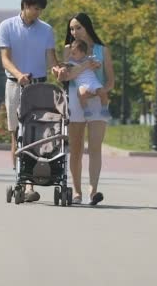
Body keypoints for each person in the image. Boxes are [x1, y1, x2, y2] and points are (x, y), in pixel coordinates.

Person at [0, 0, 64, 202]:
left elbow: (51, 59)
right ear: (25, 5)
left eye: (41, 10)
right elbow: (5, 59)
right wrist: (19, 75)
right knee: (16, 132)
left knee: (37, 132)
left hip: (39, 87)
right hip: (15, 85)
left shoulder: (46, 30)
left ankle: (31, 181)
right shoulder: (6, 26)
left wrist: (57, 70)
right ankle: (24, 182)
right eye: (35, 9)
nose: (38, 13)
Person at [61, 13, 115, 205]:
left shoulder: (102, 50)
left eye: (78, 28)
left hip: (98, 101)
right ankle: (76, 192)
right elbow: (65, 77)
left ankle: (93, 191)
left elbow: (111, 81)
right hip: (76, 100)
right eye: (71, 29)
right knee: (75, 148)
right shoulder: (69, 50)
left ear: (87, 27)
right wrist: (85, 65)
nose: (74, 32)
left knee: (94, 147)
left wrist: (100, 92)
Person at [67, 39, 111, 120]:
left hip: (93, 82)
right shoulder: (71, 62)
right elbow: (67, 69)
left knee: (103, 92)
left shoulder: (88, 59)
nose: (71, 55)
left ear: (82, 53)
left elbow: (98, 64)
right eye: (71, 53)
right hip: (82, 84)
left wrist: (97, 64)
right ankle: (86, 109)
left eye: (74, 53)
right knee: (81, 94)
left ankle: (104, 108)